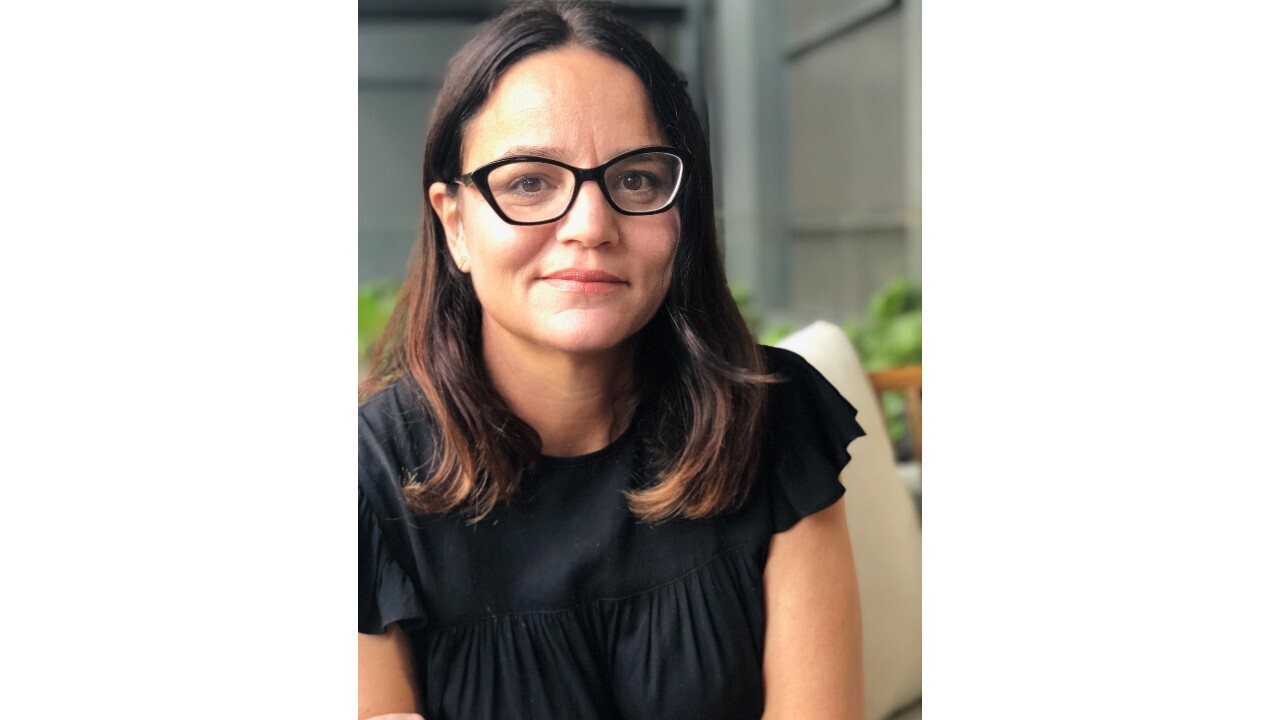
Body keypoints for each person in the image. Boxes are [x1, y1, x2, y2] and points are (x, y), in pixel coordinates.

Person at [358, 2, 866, 718]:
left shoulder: (775, 420)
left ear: (682, 211)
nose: (591, 227)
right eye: (529, 181)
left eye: (635, 180)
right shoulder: (360, 486)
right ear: (455, 225)